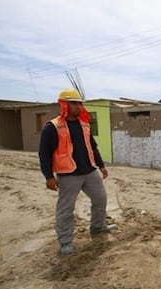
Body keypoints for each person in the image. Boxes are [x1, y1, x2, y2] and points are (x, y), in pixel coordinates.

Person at [39, 89, 112, 255]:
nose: (78, 106)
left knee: (100, 198)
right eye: (74, 103)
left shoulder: (84, 125)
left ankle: (98, 226)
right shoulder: (53, 127)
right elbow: (44, 153)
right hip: (68, 175)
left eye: (80, 103)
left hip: (90, 171)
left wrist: (101, 165)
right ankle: (65, 242)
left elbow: (92, 147)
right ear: (64, 104)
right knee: (65, 209)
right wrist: (49, 176)